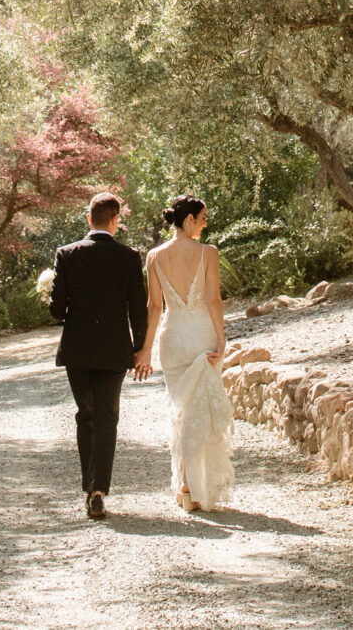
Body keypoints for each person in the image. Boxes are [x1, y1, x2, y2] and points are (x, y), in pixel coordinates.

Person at [47, 191, 147, 521]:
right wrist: (139, 348)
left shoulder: (67, 254)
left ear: (89, 219)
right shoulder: (130, 257)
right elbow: (138, 310)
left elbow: (57, 311)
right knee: (107, 418)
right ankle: (98, 490)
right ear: (115, 221)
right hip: (114, 351)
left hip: (77, 350)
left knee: (85, 415)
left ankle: (89, 487)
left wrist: (57, 300)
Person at [135, 194, 235, 513]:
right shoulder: (208, 253)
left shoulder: (154, 256)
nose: (205, 224)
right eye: (203, 218)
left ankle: (186, 487)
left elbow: (153, 307)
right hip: (202, 334)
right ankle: (192, 486)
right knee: (200, 409)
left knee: (180, 408)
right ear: (189, 219)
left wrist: (146, 351)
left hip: (172, 337)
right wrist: (222, 340)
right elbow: (214, 300)